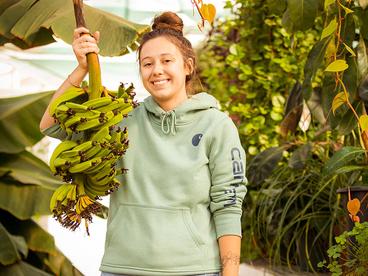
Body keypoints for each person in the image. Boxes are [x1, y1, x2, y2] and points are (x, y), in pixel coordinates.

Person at [40, 11, 247, 276]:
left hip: (196, 270)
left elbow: (228, 204)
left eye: (167, 60)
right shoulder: (118, 121)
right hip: (122, 268)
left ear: (188, 66)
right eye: (147, 63)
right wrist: (81, 68)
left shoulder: (217, 126)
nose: (156, 70)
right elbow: (50, 124)